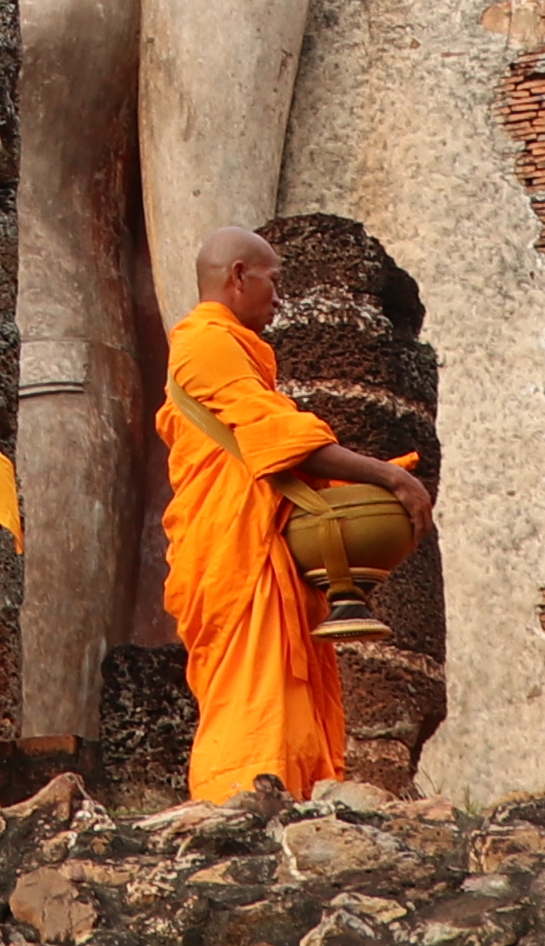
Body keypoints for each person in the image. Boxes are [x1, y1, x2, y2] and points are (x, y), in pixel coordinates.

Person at [162, 228, 427, 803]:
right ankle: (238, 799)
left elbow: (273, 450)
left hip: (254, 540)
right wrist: (386, 476)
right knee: (251, 684)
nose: (279, 298)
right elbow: (282, 441)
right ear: (238, 276)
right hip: (233, 550)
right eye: (273, 281)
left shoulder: (235, 350)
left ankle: (284, 795)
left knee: (280, 679)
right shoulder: (203, 343)